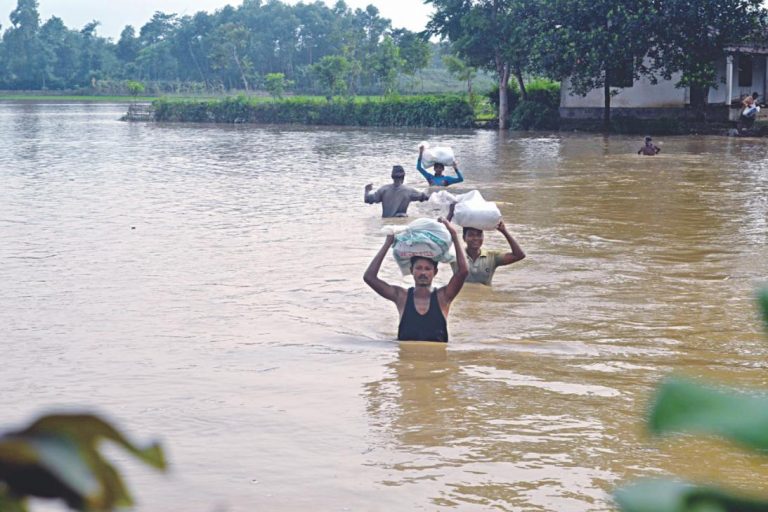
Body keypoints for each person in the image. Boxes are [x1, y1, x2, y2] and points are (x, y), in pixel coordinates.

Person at [363, 218, 468, 342]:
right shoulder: (401, 296)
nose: (423, 272)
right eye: (418, 268)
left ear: (435, 272)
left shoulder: (443, 297)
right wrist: (387, 243)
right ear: (411, 270)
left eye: (427, 269)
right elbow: (369, 277)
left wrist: (455, 236)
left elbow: (463, 272)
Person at [448, 218, 526, 285]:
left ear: (483, 237)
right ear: (464, 238)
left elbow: (519, 255)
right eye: (471, 235)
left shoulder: (492, 257)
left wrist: (504, 231)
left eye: (479, 235)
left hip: (484, 301)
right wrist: (449, 216)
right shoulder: (456, 256)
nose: (476, 238)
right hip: (462, 301)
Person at [364, 165, 430, 218]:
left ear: (392, 177)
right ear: (403, 177)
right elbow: (426, 197)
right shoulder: (409, 191)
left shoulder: (383, 190)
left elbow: (367, 199)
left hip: (386, 223)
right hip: (401, 223)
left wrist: (367, 190)